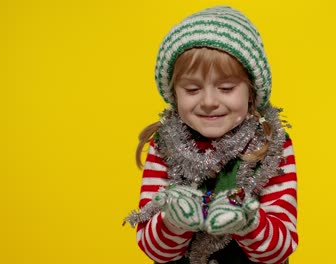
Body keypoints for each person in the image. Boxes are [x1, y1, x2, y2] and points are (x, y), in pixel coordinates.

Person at [124, 6, 298, 264]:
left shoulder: (270, 146)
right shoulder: (165, 145)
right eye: (192, 89)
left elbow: (279, 251)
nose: (208, 101)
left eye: (226, 88)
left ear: (251, 90)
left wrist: (247, 221)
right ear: (174, 94)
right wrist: (174, 219)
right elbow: (156, 251)